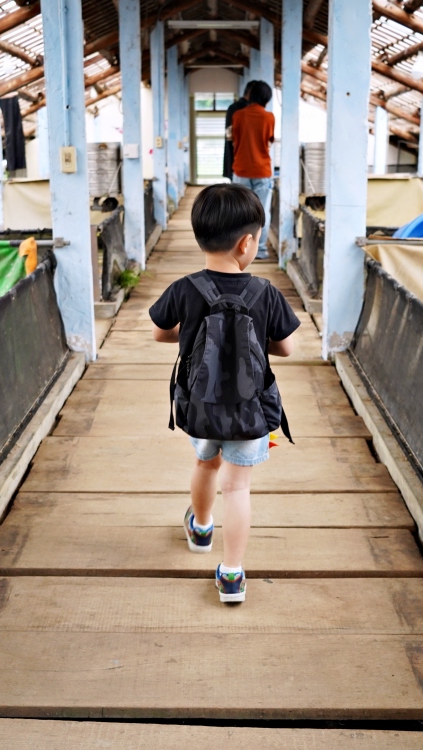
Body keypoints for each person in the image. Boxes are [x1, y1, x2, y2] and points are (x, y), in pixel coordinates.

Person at [150, 184, 300, 603]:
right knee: (238, 488)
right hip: (252, 412)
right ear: (247, 243)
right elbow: (286, 347)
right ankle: (232, 575)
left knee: (206, 462)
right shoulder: (265, 292)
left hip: (200, 407)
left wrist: (194, 334)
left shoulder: (185, 288)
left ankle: (200, 529)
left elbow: (162, 333)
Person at [231, 80, 275, 259]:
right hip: (262, 170)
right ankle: (261, 250)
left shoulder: (238, 116)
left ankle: (238, 249)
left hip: (241, 169)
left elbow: (235, 140)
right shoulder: (269, 117)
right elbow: (269, 140)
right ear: (266, 98)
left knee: (240, 213)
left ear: (251, 95)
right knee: (262, 212)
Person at [223, 81, 255, 180]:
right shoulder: (243, 110)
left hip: (235, 160)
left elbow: (229, 135)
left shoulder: (232, 108)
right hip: (243, 161)